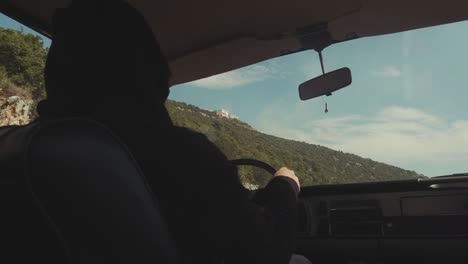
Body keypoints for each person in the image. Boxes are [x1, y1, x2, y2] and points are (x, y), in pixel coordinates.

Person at [38, 1, 304, 263]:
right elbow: (263, 253)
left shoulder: (29, 146)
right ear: (148, 70)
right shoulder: (180, 155)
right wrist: (285, 186)